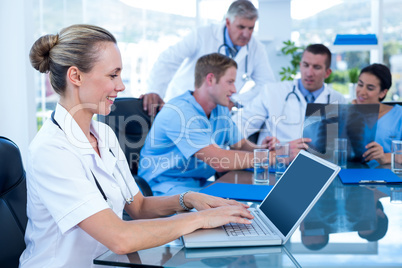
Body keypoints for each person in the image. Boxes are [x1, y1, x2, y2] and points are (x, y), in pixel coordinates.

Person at [20, 24, 254, 268]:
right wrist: (202, 219)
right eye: (113, 75)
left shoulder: (103, 134)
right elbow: (119, 238)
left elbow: (139, 207)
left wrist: (190, 199)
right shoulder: (52, 150)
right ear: (76, 76)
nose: (121, 86)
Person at [138, 53, 276, 196]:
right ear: (210, 79)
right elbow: (219, 161)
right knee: (231, 214)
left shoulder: (220, 109)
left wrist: (264, 148)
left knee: (256, 202)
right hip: (164, 189)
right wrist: (272, 156)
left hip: (197, 185)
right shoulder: (179, 113)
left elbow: (241, 145)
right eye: (230, 82)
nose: (234, 89)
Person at [141, 0, 275, 116]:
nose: (246, 34)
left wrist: (236, 101)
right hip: (183, 106)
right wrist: (155, 91)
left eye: (251, 28)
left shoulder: (256, 48)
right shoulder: (202, 35)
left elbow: (266, 84)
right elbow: (168, 60)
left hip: (218, 111)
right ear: (228, 22)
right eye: (241, 27)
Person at [232, 44, 346, 158]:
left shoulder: (338, 100)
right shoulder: (272, 92)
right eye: (306, 65)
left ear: (327, 72)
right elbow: (236, 125)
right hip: (276, 166)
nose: (309, 73)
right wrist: (259, 149)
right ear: (300, 65)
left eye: (316, 67)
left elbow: (347, 142)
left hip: (320, 166)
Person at [353, 63, 402, 164]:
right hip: (350, 174)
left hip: (386, 176)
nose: (362, 92)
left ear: (383, 93)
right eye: (360, 85)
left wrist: (385, 157)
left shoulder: (398, 116)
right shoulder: (346, 113)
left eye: (370, 88)